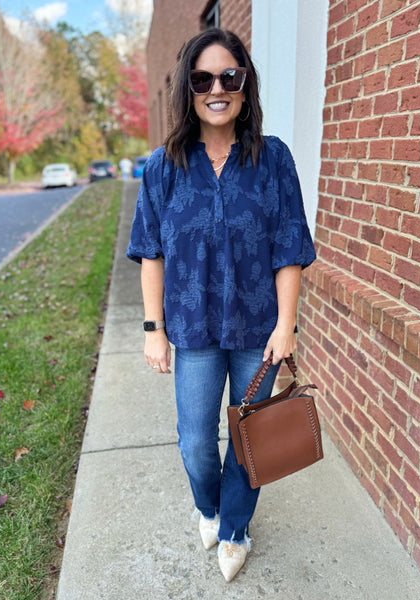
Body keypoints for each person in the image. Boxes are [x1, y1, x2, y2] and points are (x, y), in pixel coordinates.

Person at [127, 28, 316, 582]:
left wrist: (288, 325)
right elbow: (152, 252)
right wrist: (152, 329)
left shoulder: (272, 158)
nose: (217, 88)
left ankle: (235, 527)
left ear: (245, 84)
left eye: (229, 76)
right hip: (193, 330)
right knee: (195, 443)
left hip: (259, 331)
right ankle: (207, 506)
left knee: (249, 437)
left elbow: (288, 247)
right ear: (187, 88)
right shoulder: (163, 167)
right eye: (203, 77)